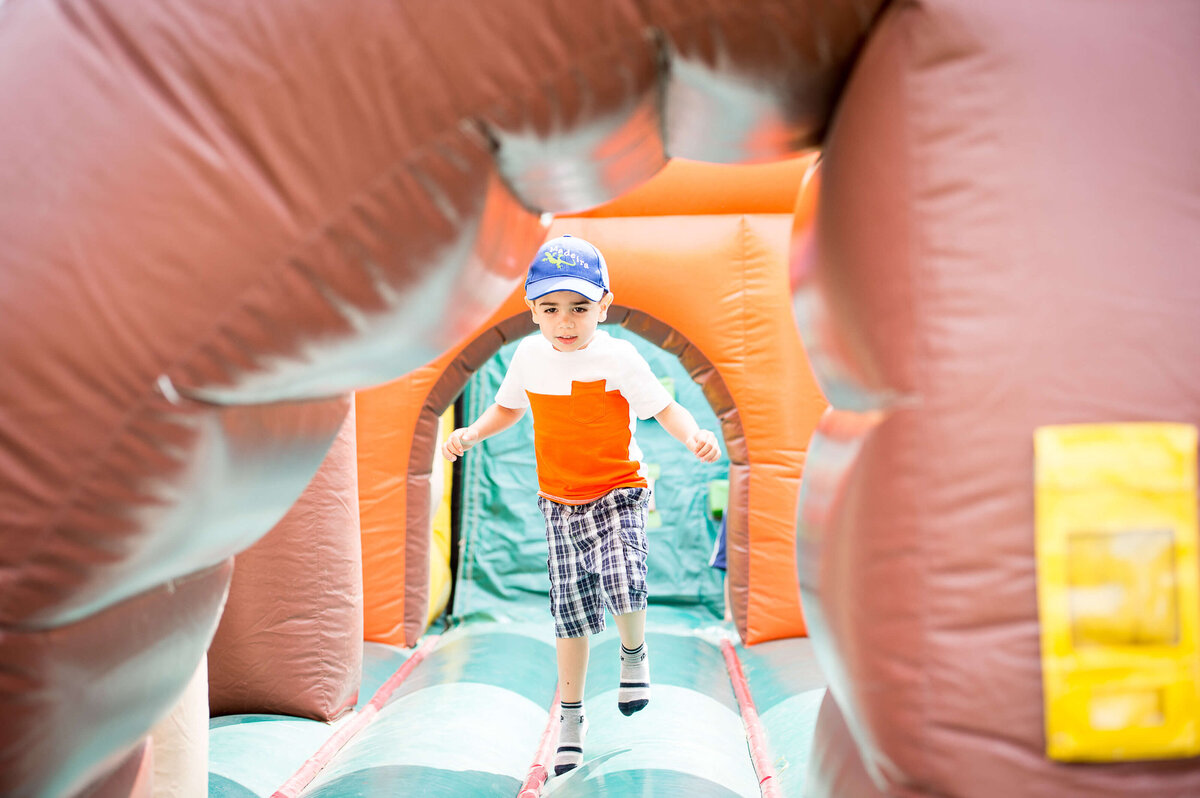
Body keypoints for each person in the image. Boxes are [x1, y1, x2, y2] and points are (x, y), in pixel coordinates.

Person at [442, 234, 720, 776]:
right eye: (550, 310)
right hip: (559, 501)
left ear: (604, 306)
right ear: (532, 311)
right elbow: (507, 409)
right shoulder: (527, 356)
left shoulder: (619, 356)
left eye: (579, 309)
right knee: (570, 616)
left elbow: (663, 409)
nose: (565, 323)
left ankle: (634, 655)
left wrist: (695, 436)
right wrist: (472, 433)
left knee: (621, 573)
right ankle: (571, 719)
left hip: (619, 488)